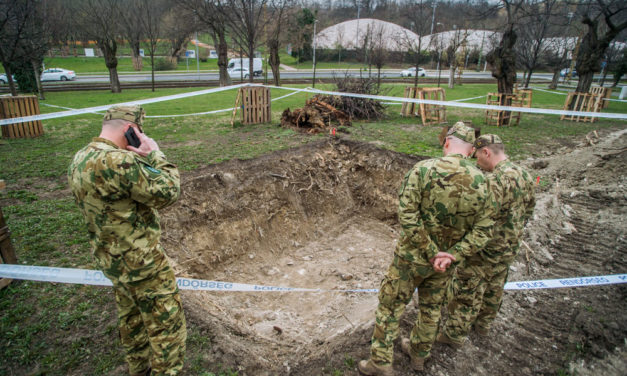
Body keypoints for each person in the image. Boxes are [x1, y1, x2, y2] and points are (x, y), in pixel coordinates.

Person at [358, 122, 496, 376]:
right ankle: (419, 354)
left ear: (446, 143)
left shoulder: (423, 170)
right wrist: (452, 254)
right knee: (432, 309)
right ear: (469, 151)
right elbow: (484, 231)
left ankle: (380, 362)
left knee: (391, 305)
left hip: (411, 259)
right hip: (445, 264)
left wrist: (430, 250)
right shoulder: (485, 182)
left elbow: (408, 215)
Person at [68, 105, 186, 376]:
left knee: (131, 320)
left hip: (111, 261)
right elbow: (169, 191)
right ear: (130, 130)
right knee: (167, 328)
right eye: (140, 131)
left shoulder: (79, 157)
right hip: (144, 264)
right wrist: (154, 153)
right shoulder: (121, 162)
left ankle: (138, 370)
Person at [439, 134, 535, 348]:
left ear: (486, 152)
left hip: (484, 250)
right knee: (495, 286)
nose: (477, 163)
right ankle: (483, 324)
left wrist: (458, 247)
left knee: (467, 290)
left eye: (478, 157)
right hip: (508, 248)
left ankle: (454, 335)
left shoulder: (494, 182)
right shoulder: (524, 175)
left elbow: (478, 219)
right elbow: (529, 210)